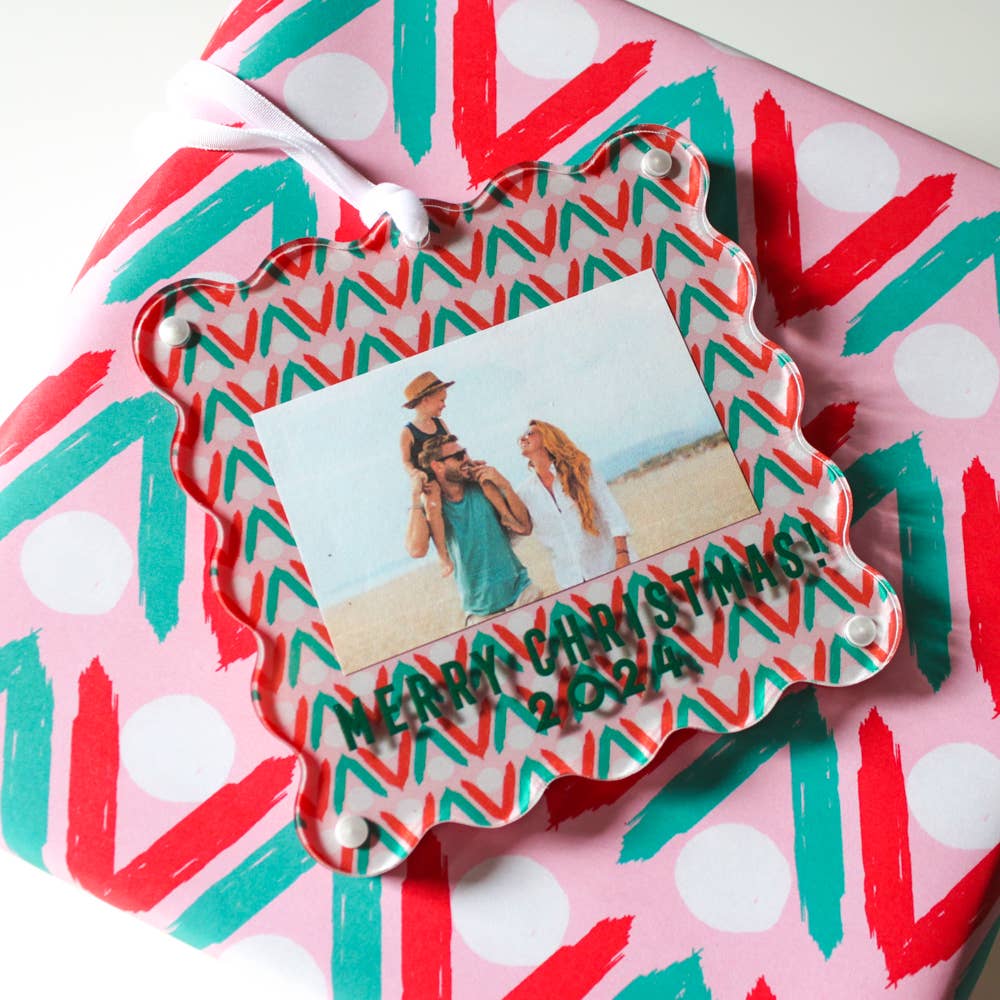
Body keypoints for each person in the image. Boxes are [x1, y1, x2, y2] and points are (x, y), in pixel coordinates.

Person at [406, 433, 542, 625]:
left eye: (465, 452)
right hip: (480, 613)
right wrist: (415, 495)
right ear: (438, 466)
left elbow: (525, 527)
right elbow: (416, 550)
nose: (466, 459)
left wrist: (505, 485)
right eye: (458, 456)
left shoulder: (484, 486)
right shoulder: (431, 505)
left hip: (523, 595)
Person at [516, 419, 631, 589]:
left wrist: (622, 554)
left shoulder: (580, 470)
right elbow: (516, 531)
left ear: (548, 439)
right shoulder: (524, 493)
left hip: (609, 565)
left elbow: (611, 512)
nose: (522, 438)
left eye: (529, 433)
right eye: (521, 436)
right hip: (571, 583)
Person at [399, 371, 455, 577]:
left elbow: (453, 447)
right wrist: (415, 473)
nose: (444, 405)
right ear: (426, 400)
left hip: (447, 472)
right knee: (433, 505)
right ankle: (443, 556)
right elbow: (406, 461)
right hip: (428, 479)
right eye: (441, 400)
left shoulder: (441, 424)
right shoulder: (408, 432)